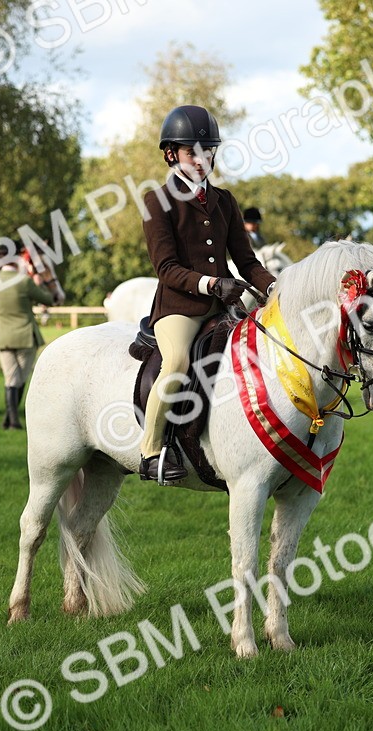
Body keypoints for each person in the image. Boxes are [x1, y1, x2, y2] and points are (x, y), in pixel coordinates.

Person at [138, 105, 276, 483]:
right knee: (177, 363)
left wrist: (274, 287)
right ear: (171, 155)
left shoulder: (225, 200)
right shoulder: (156, 201)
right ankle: (151, 451)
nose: (203, 160)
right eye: (192, 153)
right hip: (179, 307)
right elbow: (166, 268)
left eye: (209, 152)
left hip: (224, 306)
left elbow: (247, 262)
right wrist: (212, 284)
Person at [0, 247, 57, 430]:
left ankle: (9, 419)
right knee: (21, 379)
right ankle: (13, 421)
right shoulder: (25, 281)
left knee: (11, 379)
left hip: (4, 336)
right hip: (26, 336)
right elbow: (48, 299)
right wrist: (39, 283)